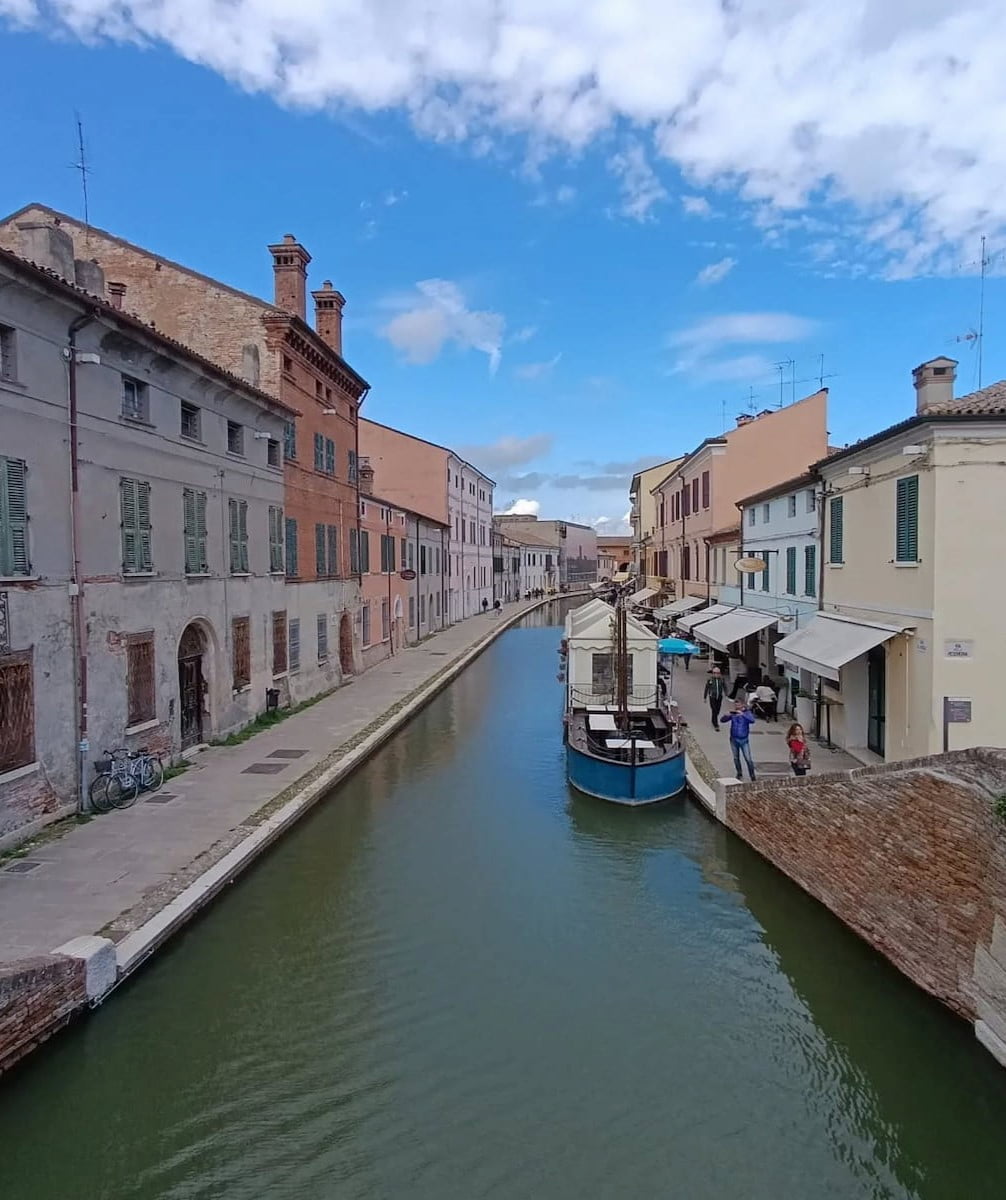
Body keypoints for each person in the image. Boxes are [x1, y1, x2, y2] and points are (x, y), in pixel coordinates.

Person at [720, 700, 757, 781]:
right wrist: (726, 715)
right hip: (733, 739)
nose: (737, 707)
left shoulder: (747, 713)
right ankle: (739, 773)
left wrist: (742, 714)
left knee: (748, 758)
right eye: (736, 705)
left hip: (744, 740)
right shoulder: (734, 713)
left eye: (739, 705)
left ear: (742, 705)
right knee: (736, 758)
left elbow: (752, 720)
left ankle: (752, 775)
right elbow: (722, 720)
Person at [703, 667, 727, 731]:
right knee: (714, 709)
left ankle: (713, 719)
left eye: (718, 673)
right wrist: (705, 697)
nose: (716, 674)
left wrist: (726, 694)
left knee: (717, 710)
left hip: (719, 696)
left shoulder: (722, 679)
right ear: (713, 673)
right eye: (715, 673)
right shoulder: (710, 680)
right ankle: (716, 724)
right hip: (712, 697)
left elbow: (725, 687)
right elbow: (706, 688)